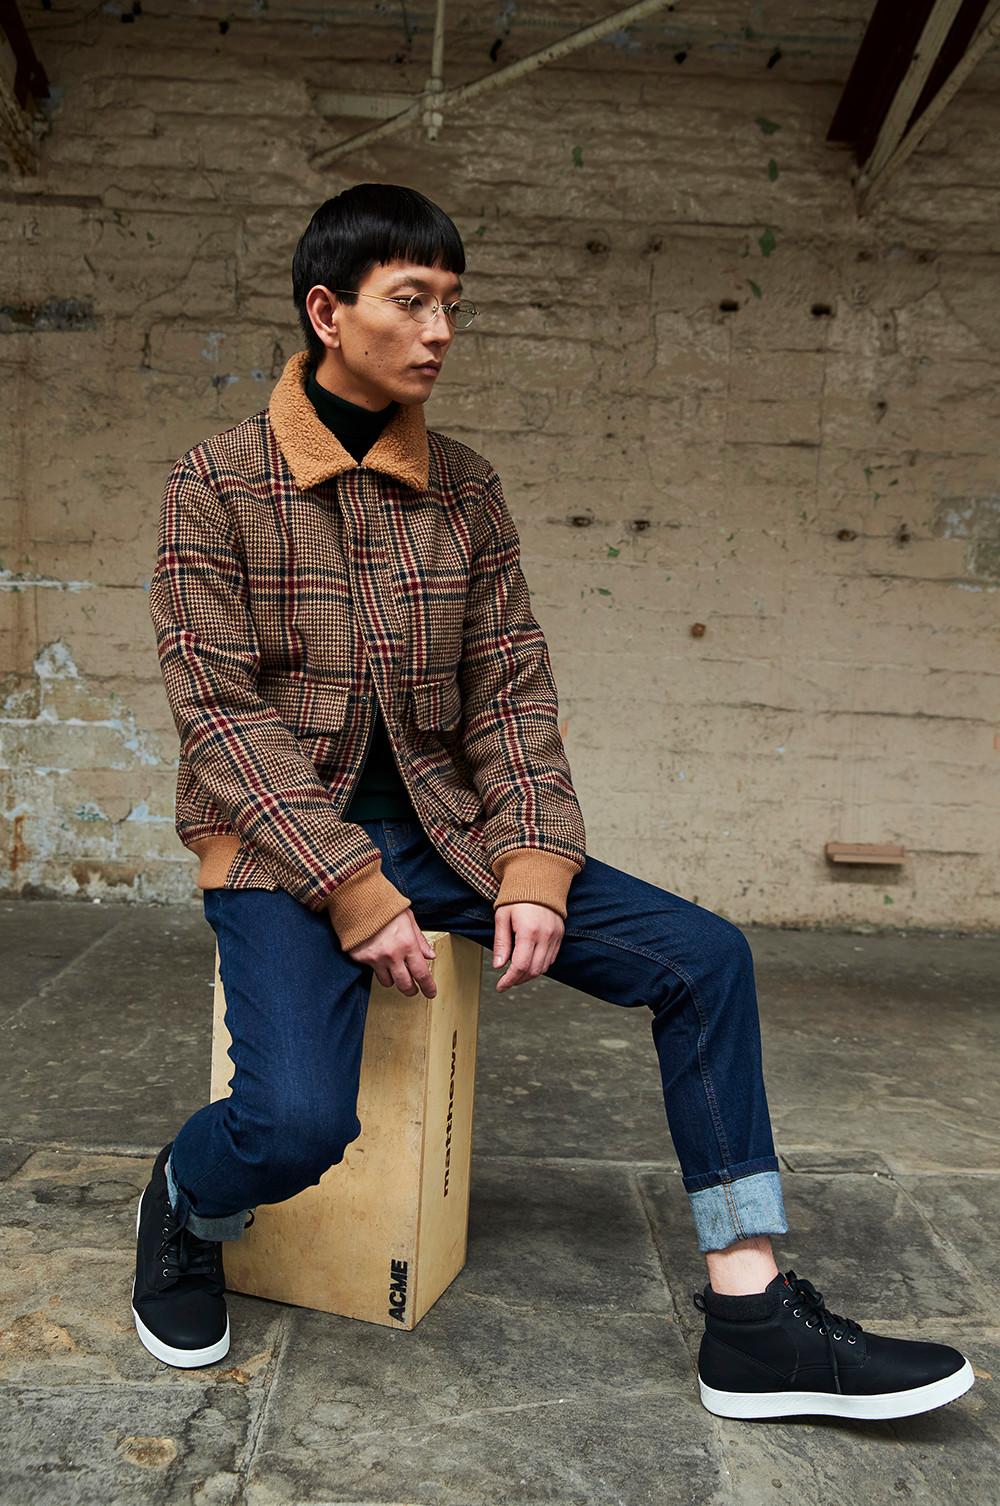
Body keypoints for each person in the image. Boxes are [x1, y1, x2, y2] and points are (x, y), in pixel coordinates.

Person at [133, 183, 974, 1422]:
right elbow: (219, 716)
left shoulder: (466, 491)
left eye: (453, 306)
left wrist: (532, 866)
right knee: (296, 1125)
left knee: (703, 959)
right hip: (278, 850)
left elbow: (512, 694)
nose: (439, 332)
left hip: (451, 837)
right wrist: (354, 891)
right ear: (327, 310)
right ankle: (185, 1204)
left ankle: (749, 1315)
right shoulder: (214, 484)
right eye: (409, 302)